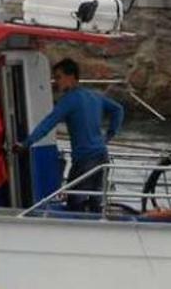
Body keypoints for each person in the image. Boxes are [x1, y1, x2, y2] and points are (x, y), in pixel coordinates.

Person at [14, 58, 125, 212]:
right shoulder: (94, 96)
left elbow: (48, 123)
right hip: (102, 156)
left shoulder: (69, 100)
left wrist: (26, 143)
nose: (56, 82)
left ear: (71, 76)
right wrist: (110, 134)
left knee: (75, 202)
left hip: (85, 160)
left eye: (58, 77)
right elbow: (118, 109)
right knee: (96, 203)